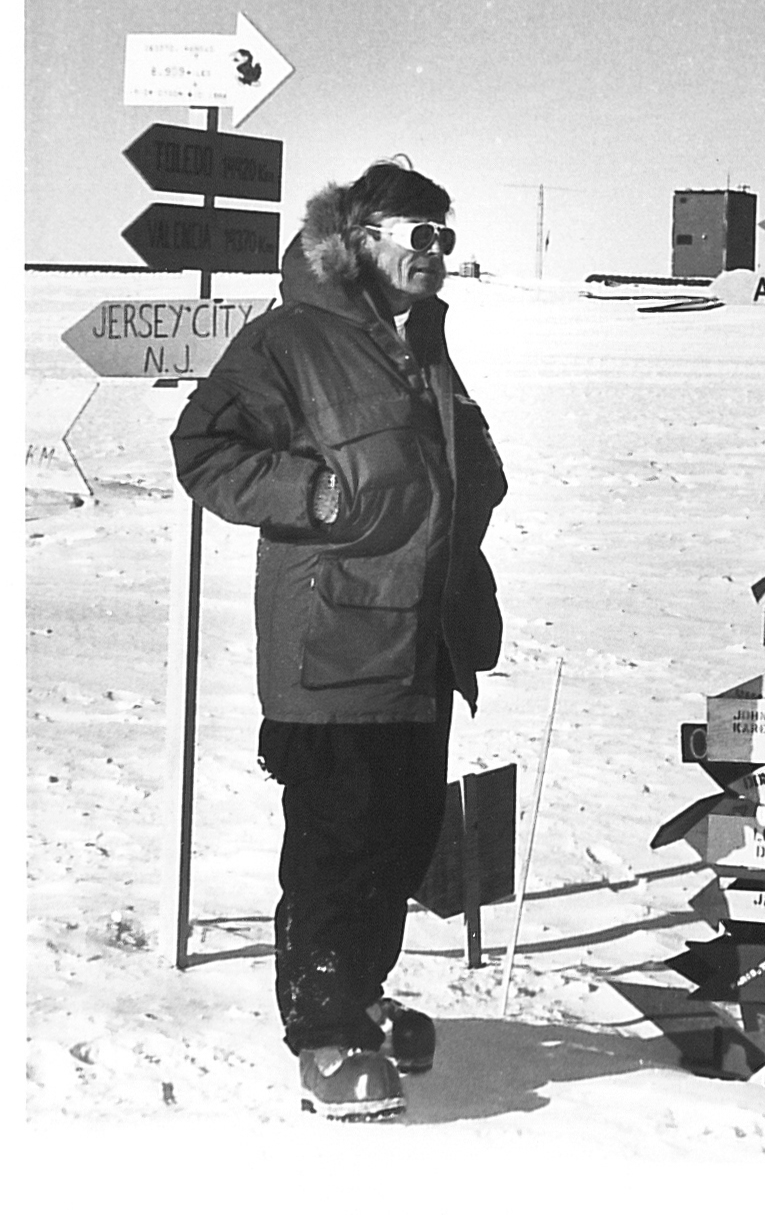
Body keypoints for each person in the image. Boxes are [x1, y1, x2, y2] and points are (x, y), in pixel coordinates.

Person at [172, 157, 508, 1121]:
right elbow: (204, 451)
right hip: (336, 639)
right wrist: (311, 492)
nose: (437, 255)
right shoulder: (288, 340)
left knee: (400, 840)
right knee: (338, 844)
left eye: (445, 238)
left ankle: (356, 990)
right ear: (362, 241)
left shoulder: (419, 341)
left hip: (422, 633)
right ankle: (323, 1036)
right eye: (420, 235)